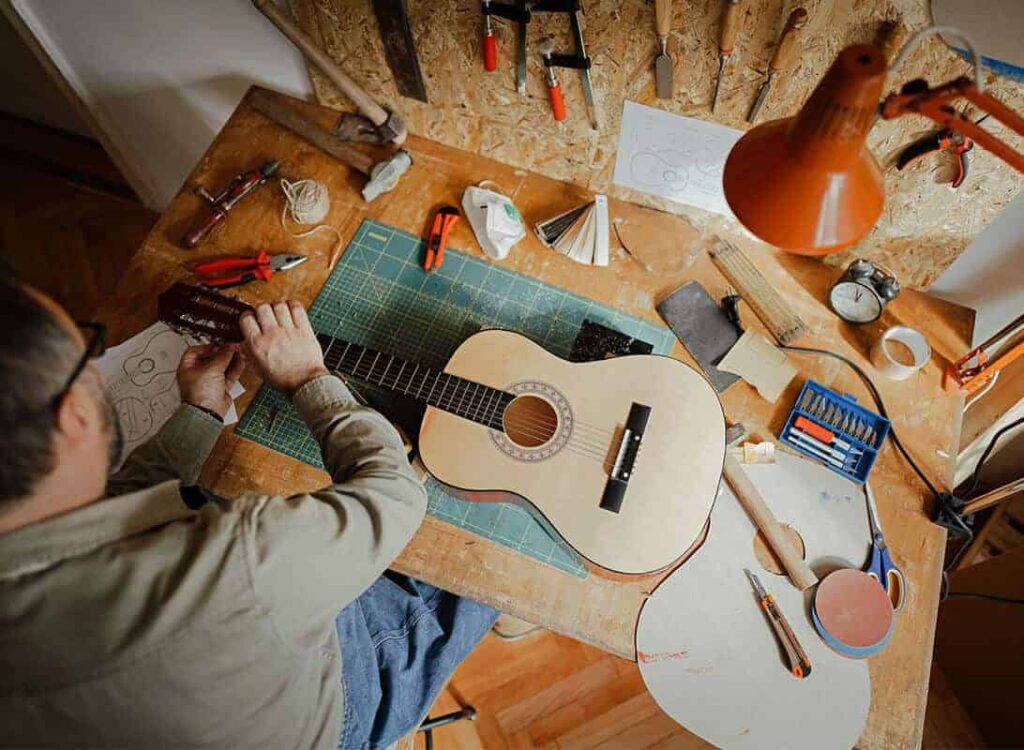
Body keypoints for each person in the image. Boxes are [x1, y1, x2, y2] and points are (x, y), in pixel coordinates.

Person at [0, 282, 498, 749]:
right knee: (486, 556)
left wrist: (199, 412)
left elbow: (110, 510)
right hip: (338, 705)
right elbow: (393, 495)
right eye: (87, 354)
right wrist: (307, 377)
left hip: (214, 687)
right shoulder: (233, 564)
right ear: (75, 414)